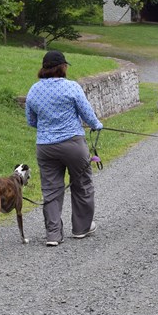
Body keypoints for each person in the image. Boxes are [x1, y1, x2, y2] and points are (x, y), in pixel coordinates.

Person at [25, 50, 103, 247]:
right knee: (82, 184)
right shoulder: (71, 87)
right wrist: (96, 125)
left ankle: (53, 235)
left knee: (51, 190)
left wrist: (48, 126)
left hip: (45, 146)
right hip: (73, 144)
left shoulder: (34, 90)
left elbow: (31, 120)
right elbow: (87, 113)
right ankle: (81, 228)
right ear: (62, 67)